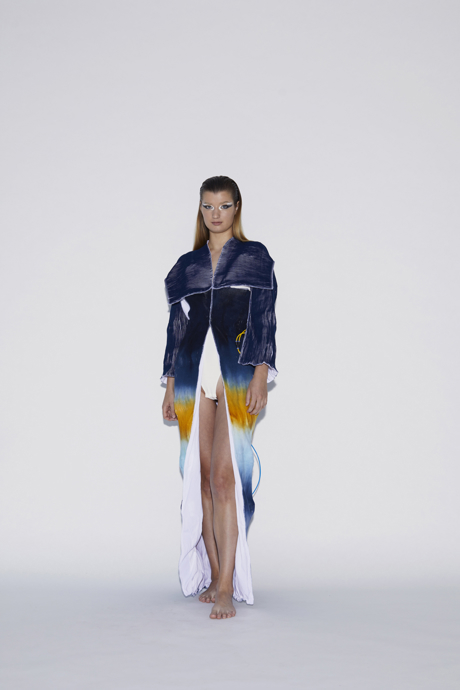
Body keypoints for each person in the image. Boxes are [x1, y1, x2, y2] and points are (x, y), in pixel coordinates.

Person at [161, 176, 278, 620]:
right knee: (204, 479)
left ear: (236, 208)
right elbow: (176, 330)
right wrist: (170, 384)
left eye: (224, 205)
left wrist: (260, 374)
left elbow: (265, 320)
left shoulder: (254, 258)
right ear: (201, 209)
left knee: (227, 479)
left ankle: (227, 585)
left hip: (235, 371)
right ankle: (213, 574)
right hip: (193, 375)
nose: (216, 214)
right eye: (208, 206)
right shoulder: (185, 266)